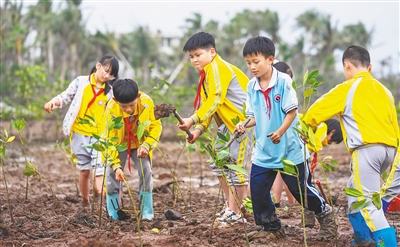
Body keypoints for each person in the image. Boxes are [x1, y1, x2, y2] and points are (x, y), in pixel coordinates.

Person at [236, 36, 336, 242]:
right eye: (248, 63)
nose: (252, 67)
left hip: (289, 150)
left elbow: (291, 112)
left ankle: (326, 217)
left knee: (300, 191)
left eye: (256, 62)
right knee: (258, 189)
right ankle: (271, 226)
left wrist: (280, 132)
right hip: (264, 150)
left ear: (270, 59)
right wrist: (243, 125)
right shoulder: (251, 86)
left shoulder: (283, 81)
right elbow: (253, 116)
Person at [302, 45, 399, 246]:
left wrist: (307, 134)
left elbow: (313, 113)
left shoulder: (348, 88)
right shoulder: (386, 91)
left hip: (366, 151)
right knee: (353, 193)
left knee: (369, 204)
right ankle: (363, 240)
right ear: (369, 67)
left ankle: (387, 244)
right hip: (389, 150)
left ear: (347, 66)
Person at [177, 31, 252, 227]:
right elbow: (210, 107)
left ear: (212, 51)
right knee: (217, 163)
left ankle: (236, 213)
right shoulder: (207, 74)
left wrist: (192, 119)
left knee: (235, 167)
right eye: (191, 57)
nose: (194, 60)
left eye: (198, 55)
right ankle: (231, 207)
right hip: (227, 127)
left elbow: (215, 100)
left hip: (243, 125)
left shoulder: (217, 68)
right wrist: (198, 131)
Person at [44, 55, 119, 208]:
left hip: (99, 137)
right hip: (79, 134)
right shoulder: (81, 82)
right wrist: (53, 102)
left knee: (99, 172)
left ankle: (105, 197)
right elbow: (65, 97)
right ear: (98, 66)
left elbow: (116, 112)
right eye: (105, 70)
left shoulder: (110, 92)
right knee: (84, 171)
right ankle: (85, 201)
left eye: (111, 74)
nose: (107, 75)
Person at [103, 78, 162, 221]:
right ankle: (113, 213)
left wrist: (147, 145)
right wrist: (116, 166)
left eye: (132, 105)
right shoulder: (111, 109)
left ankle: (146, 212)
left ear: (138, 97)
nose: (128, 109)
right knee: (111, 175)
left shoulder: (146, 103)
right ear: (116, 101)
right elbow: (109, 140)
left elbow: (155, 126)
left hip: (140, 143)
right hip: (119, 144)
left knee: (146, 170)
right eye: (124, 107)